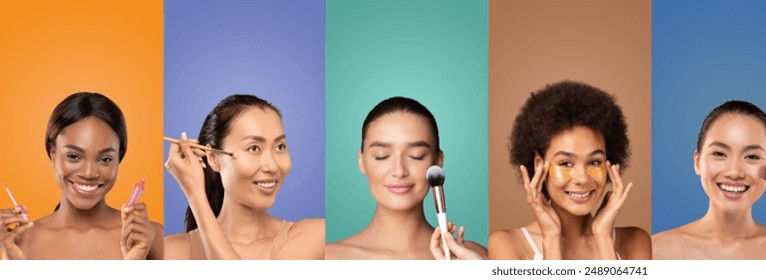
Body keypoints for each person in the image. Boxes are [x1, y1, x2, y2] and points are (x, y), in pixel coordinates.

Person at [488, 80, 651, 260]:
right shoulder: (508, 245)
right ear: (538, 164)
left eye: (595, 162)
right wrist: (551, 236)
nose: (582, 178)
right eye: (566, 163)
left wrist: (603, 237)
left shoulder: (635, 242)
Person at [1, 92, 162, 260]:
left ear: (118, 159)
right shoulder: (21, 242)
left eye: (105, 159)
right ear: (53, 155)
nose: (88, 173)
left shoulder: (151, 237)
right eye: (73, 156)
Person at [164, 94, 324, 259]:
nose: (272, 166)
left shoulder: (315, 236)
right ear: (213, 158)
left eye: (280, 147)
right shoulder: (172, 252)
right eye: (254, 148)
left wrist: (196, 195)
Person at [326, 96, 486, 260]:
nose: (399, 171)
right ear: (362, 161)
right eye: (382, 156)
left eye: (416, 156)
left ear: (438, 161)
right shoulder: (329, 257)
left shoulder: (475, 257)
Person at [653, 101, 766, 259]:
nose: (734, 172)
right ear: (697, 162)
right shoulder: (656, 250)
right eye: (719, 154)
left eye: (752, 156)